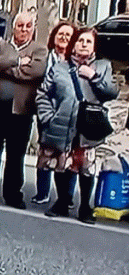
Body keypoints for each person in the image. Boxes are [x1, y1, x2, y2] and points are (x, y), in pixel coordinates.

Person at [36, 27, 117, 224]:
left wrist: (93, 76)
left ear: (94, 47)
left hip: (88, 125)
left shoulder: (103, 66)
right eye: (80, 40)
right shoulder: (60, 67)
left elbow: (111, 92)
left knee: (85, 166)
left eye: (88, 42)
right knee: (62, 163)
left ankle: (84, 207)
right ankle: (62, 201)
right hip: (63, 122)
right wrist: (48, 116)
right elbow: (43, 94)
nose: (83, 44)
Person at [0, 12, 46, 208]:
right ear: (13, 27)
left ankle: (13, 195)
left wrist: (5, 66)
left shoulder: (39, 49)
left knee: (16, 155)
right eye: (20, 25)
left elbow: (35, 71)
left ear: (33, 28)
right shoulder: (0, 44)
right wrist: (18, 62)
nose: (23, 29)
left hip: (21, 110)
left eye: (28, 26)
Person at [32, 20, 75, 205]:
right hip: (47, 112)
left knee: (68, 155)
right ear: (54, 37)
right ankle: (42, 193)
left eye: (68, 35)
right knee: (45, 151)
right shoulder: (46, 58)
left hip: (69, 115)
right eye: (61, 34)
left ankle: (67, 197)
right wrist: (45, 112)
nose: (64, 38)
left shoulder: (76, 62)